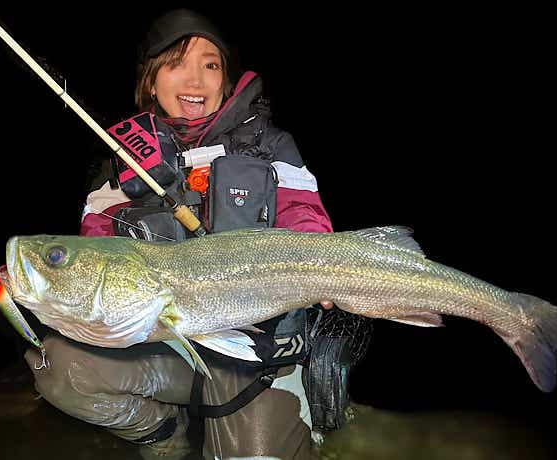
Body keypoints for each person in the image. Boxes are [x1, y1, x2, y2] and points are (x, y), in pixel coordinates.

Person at [27, 8, 355, 459]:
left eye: (210, 65)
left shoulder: (270, 143)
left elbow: (304, 214)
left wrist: (323, 267)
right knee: (61, 367)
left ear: (225, 78)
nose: (196, 80)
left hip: (259, 346)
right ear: (151, 80)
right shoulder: (122, 159)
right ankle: (165, 435)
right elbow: (96, 249)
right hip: (167, 345)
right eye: (176, 64)